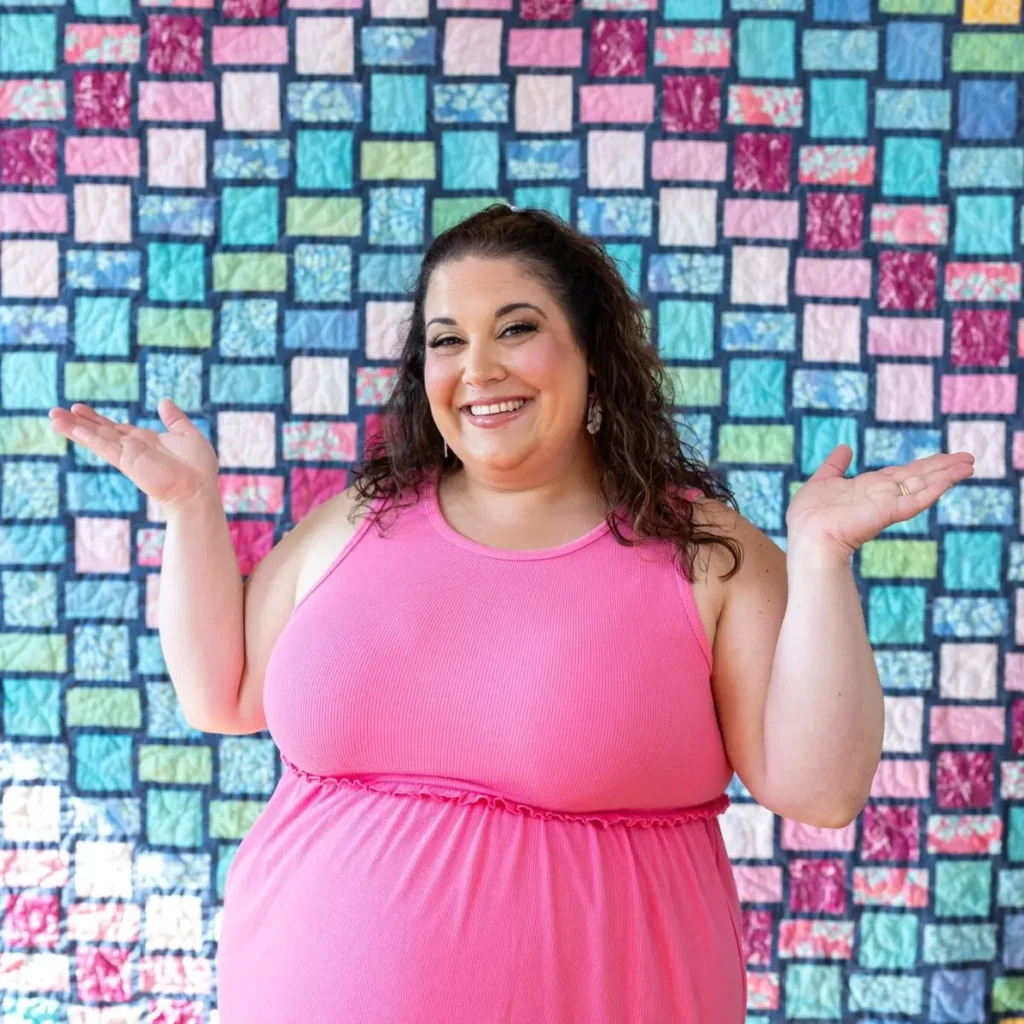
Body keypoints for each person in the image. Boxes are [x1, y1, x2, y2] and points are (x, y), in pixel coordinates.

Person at [48, 205, 975, 1022]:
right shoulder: (360, 517)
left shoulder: (705, 555)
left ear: (593, 352)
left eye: (516, 329)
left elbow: (821, 789)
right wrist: (189, 509)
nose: (478, 368)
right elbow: (222, 692)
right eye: (446, 339)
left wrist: (822, 555)